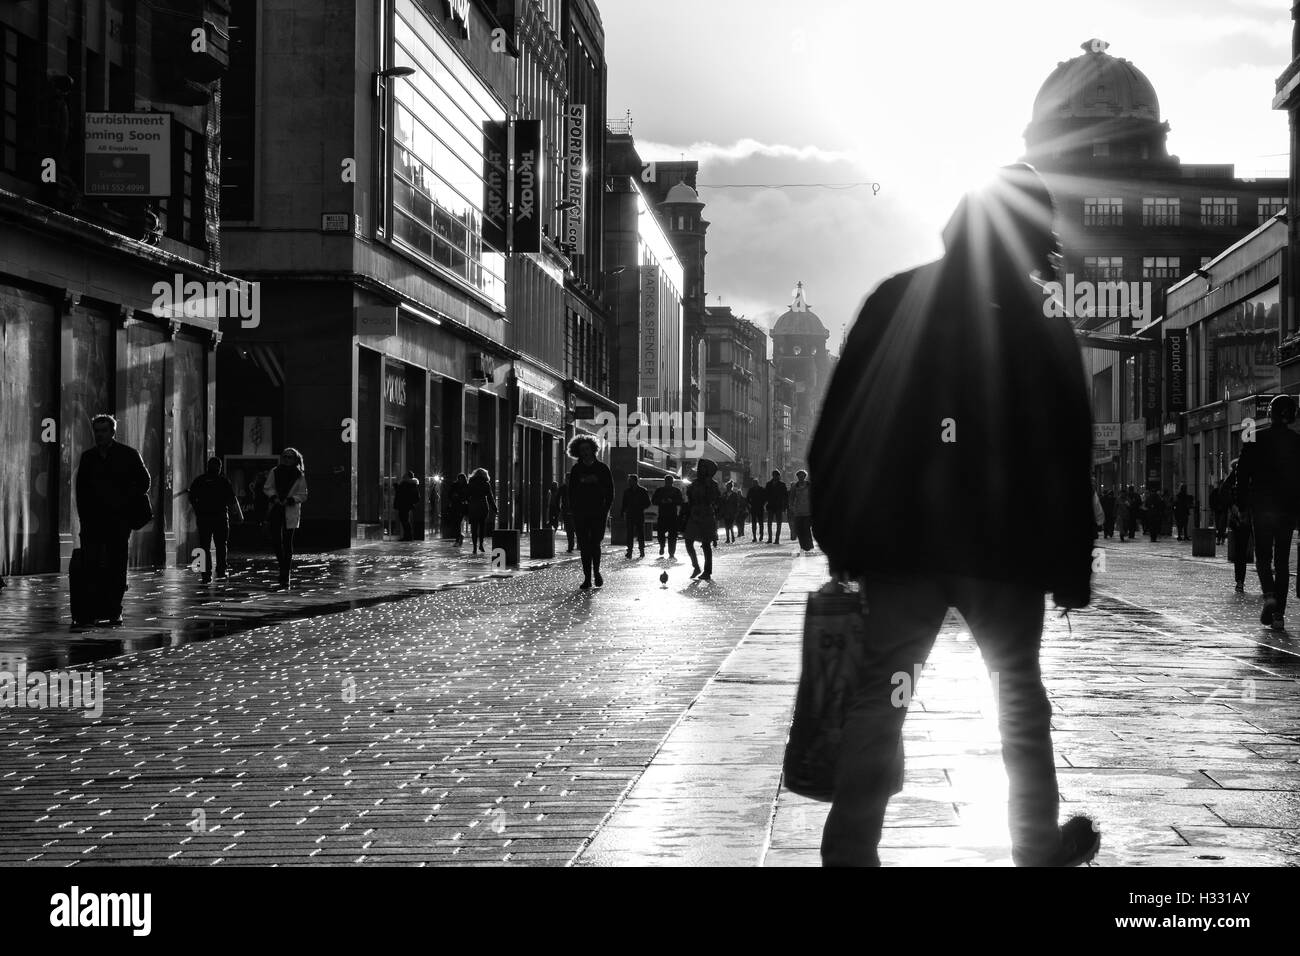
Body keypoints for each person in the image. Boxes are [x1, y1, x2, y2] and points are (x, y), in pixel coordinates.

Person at [809, 164, 1099, 867]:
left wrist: (839, 533)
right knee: (1019, 703)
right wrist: (1070, 559)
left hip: (902, 546)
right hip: (1005, 552)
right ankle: (1034, 846)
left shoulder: (896, 299)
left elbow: (840, 424)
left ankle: (851, 849)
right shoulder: (1043, 318)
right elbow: (1068, 447)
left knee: (884, 694)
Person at [74, 414, 151, 626]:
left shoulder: (128, 454)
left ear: (112, 432)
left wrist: (125, 500)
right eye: (96, 431)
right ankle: (94, 608)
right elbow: (81, 491)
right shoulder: (88, 457)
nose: (99, 435)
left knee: (117, 563)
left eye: (103, 431)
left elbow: (145, 481)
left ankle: (115, 608)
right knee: (92, 565)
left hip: (118, 520)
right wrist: (84, 519)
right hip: (93, 521)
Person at [1237, 394, 1300, 629]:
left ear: (1270, 414)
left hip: (1262, 507)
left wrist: (1241, 505)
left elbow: (1242, 474)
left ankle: (1270, 595)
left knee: (1263, 557)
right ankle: (1278, 616)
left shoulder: (1255, 438)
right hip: (1287, 510)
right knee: (1282, 561)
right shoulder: (1297, 442)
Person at [567, 435, 613, 589]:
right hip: (581, 513)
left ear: (593, 449)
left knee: (595, 544)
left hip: (598, 513)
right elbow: (571, 492)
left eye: (587, 449)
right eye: (582, 450)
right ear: (578, 452)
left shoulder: (602, 469)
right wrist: (573, 509)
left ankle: (597, 572)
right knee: (584, 546)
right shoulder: (576, 470)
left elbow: (610, 491)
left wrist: (605, 509)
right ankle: (587, 578)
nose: (585, 452)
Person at [188, 457, 239, 583]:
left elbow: (192, 497)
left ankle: (206, 574)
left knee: (204, 545)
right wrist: (238, 514)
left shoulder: (199, 480)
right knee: (221, 545)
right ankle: (221, 571)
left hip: (204, 517)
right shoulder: (223, 481)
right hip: (220, 517)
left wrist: (198, 509)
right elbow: (232, 499)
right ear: (220, 467)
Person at [264, 447, 308, 588]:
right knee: (276, 541)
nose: (287, 459)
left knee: (288, 542)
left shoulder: (299, 475)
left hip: (290, 509)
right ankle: (283, 566)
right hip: (276, 508)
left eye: (290, 457)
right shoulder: (275, 471)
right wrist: (275, 498)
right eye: (285, 456)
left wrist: (291, 500)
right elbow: (267, 487)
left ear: (295, 459)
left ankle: (285, 573)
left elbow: (303, 494)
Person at [684, 459, 722, 580]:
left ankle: (707, 571)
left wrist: (707, 487)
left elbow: (715, 500)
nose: (699, 471)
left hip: (707, 516)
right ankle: (696, 566)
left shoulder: (713, 484)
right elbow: (689, 499)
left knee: (706, 544)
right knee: (688, 541)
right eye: (699, 468)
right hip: (694, 515)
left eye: (702, 468)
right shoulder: (694, 484)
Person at [1223, 459, 1251, 593]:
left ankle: (1240, 581)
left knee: (1241, 551)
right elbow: (1223, 492)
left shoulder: (1234, 476)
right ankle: (1240, 581)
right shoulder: (1237, 475)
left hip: (1243, 519)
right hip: (1245, 519)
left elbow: (1223, 492)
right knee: (1243, 550)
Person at [464, 468, 497, 554]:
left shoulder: (471, 483)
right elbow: (490, 497)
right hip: (483, 506)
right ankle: (481, 545)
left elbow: (466, 495)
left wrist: (470, 501)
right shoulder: (486, 484)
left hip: (473, 506)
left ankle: (474, 547)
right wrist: (494, 508)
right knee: (482, 527)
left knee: (474, 528)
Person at [651, 475, 684, 558]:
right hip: (663, 515)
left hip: (672, 516)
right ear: (665, 482)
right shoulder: (660, 490)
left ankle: (671, 552)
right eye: (667, 481)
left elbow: (680, 501)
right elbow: (654, 501)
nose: (668, 483)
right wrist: (661, 501)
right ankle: (662, 546)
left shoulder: (676, 491)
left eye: (669, 481)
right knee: (661, 534)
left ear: (672, 482)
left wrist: (672, 501)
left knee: (672, 536)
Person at [620, 474, 651, 559]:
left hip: (639, 514)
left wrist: (640, 507)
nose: (629, 482)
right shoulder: (627, 491)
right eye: (628, 481)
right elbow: (624, 503)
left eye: (630, 480)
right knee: (629, 533)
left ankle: (641, 551)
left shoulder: (642, 491)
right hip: (630, 514)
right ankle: (629, 551)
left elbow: (648, 503)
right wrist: (622, 512)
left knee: (640, 533)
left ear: (635, 481)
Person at [789, 469, 814, 551]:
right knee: (799, 529)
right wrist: (791, 507)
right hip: (798, 511)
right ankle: (802, 545)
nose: (801, 477)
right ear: (797, 477)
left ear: (805, 476)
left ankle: (809, 545)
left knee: (806, 528)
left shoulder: (809, 485)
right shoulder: (794, 487)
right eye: (799, 476)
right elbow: (791, 498)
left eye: (802, 476)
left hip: (808, 511)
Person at [393, 471, 421, 541]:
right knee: (405, 520)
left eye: (405, 475)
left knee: (404, 520)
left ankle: (408, 537)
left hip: (404, 505)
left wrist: (396, 487)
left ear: (408, 476)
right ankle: (408, 536)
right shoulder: (411, 484)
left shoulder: (406, 484)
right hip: (406, 505)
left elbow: (402, 494)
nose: (403, 476)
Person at [765, 470, 789, 544]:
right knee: (769, 523)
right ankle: (770, 538)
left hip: (779, 506)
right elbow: (766, 495)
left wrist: (785, 506)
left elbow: (785, 496)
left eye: (777, 475)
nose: (776, 476)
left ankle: (777, 539)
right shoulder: (768, 484)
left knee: (779, 523)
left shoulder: (782, 484)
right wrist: (766, 503)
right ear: (773, 475)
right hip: (771, 506)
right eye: (774, 475)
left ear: (779, 476)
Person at [447, 473, 468, 546]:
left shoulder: (466, 486)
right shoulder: (455, 485)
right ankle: (460, 536)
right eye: (459, 479)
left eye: (461, 479)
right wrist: (453, 496)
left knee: (458, 522)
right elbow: (449, 494)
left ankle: (458, 539)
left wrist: (459, 497)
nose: (460, 480)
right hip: (455, 506)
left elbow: (467, 496)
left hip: (461, 507)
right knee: (456, 523)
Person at [745, 478, 766, 542]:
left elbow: (765, 498)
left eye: (755, 483)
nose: (754, 484)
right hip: (754, 508)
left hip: (760, 508)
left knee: (760, 523)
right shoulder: (751, 490)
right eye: (753, 483)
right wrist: (749, 506)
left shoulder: (761, 489)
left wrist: (762, 504)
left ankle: (761, 535)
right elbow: (747, 499)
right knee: (754, 523)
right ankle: (754, 536)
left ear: (757, 483)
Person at [1210, 480, 1229, 545]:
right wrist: (1213, 508)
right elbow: (1211, 500)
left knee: (1222, 525)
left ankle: (1219, 539)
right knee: (1219, 525)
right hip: (1217, 511)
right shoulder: (1215, 492)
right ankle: (1221, 538)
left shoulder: (1225, 492)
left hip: (1223, 511)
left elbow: (1228, 501)